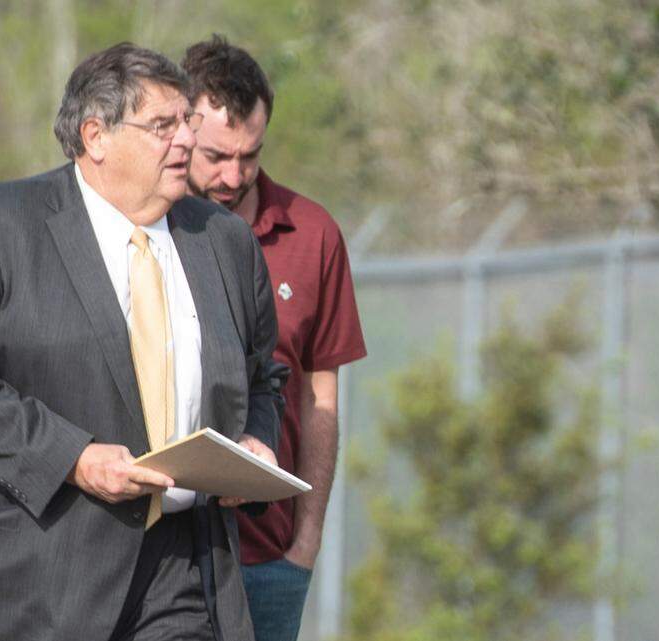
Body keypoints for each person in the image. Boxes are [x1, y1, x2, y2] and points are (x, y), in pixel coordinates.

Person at [0, 42, 284, 641]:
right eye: (163, 125)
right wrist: (73, 459)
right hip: (24, 583)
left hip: (182, 580)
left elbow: (265, 376)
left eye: (185, 120)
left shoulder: (226, 242)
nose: (185, 139)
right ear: (96, 137)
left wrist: (256, 443)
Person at [183, 35, 368, 641]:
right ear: (179, 130)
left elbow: (322, 399)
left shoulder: (313, 235)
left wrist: (305, 542)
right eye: (215, 155)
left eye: (250, 156)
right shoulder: (145, 231)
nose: (232, 175)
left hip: (269, 564)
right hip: (158, 554)